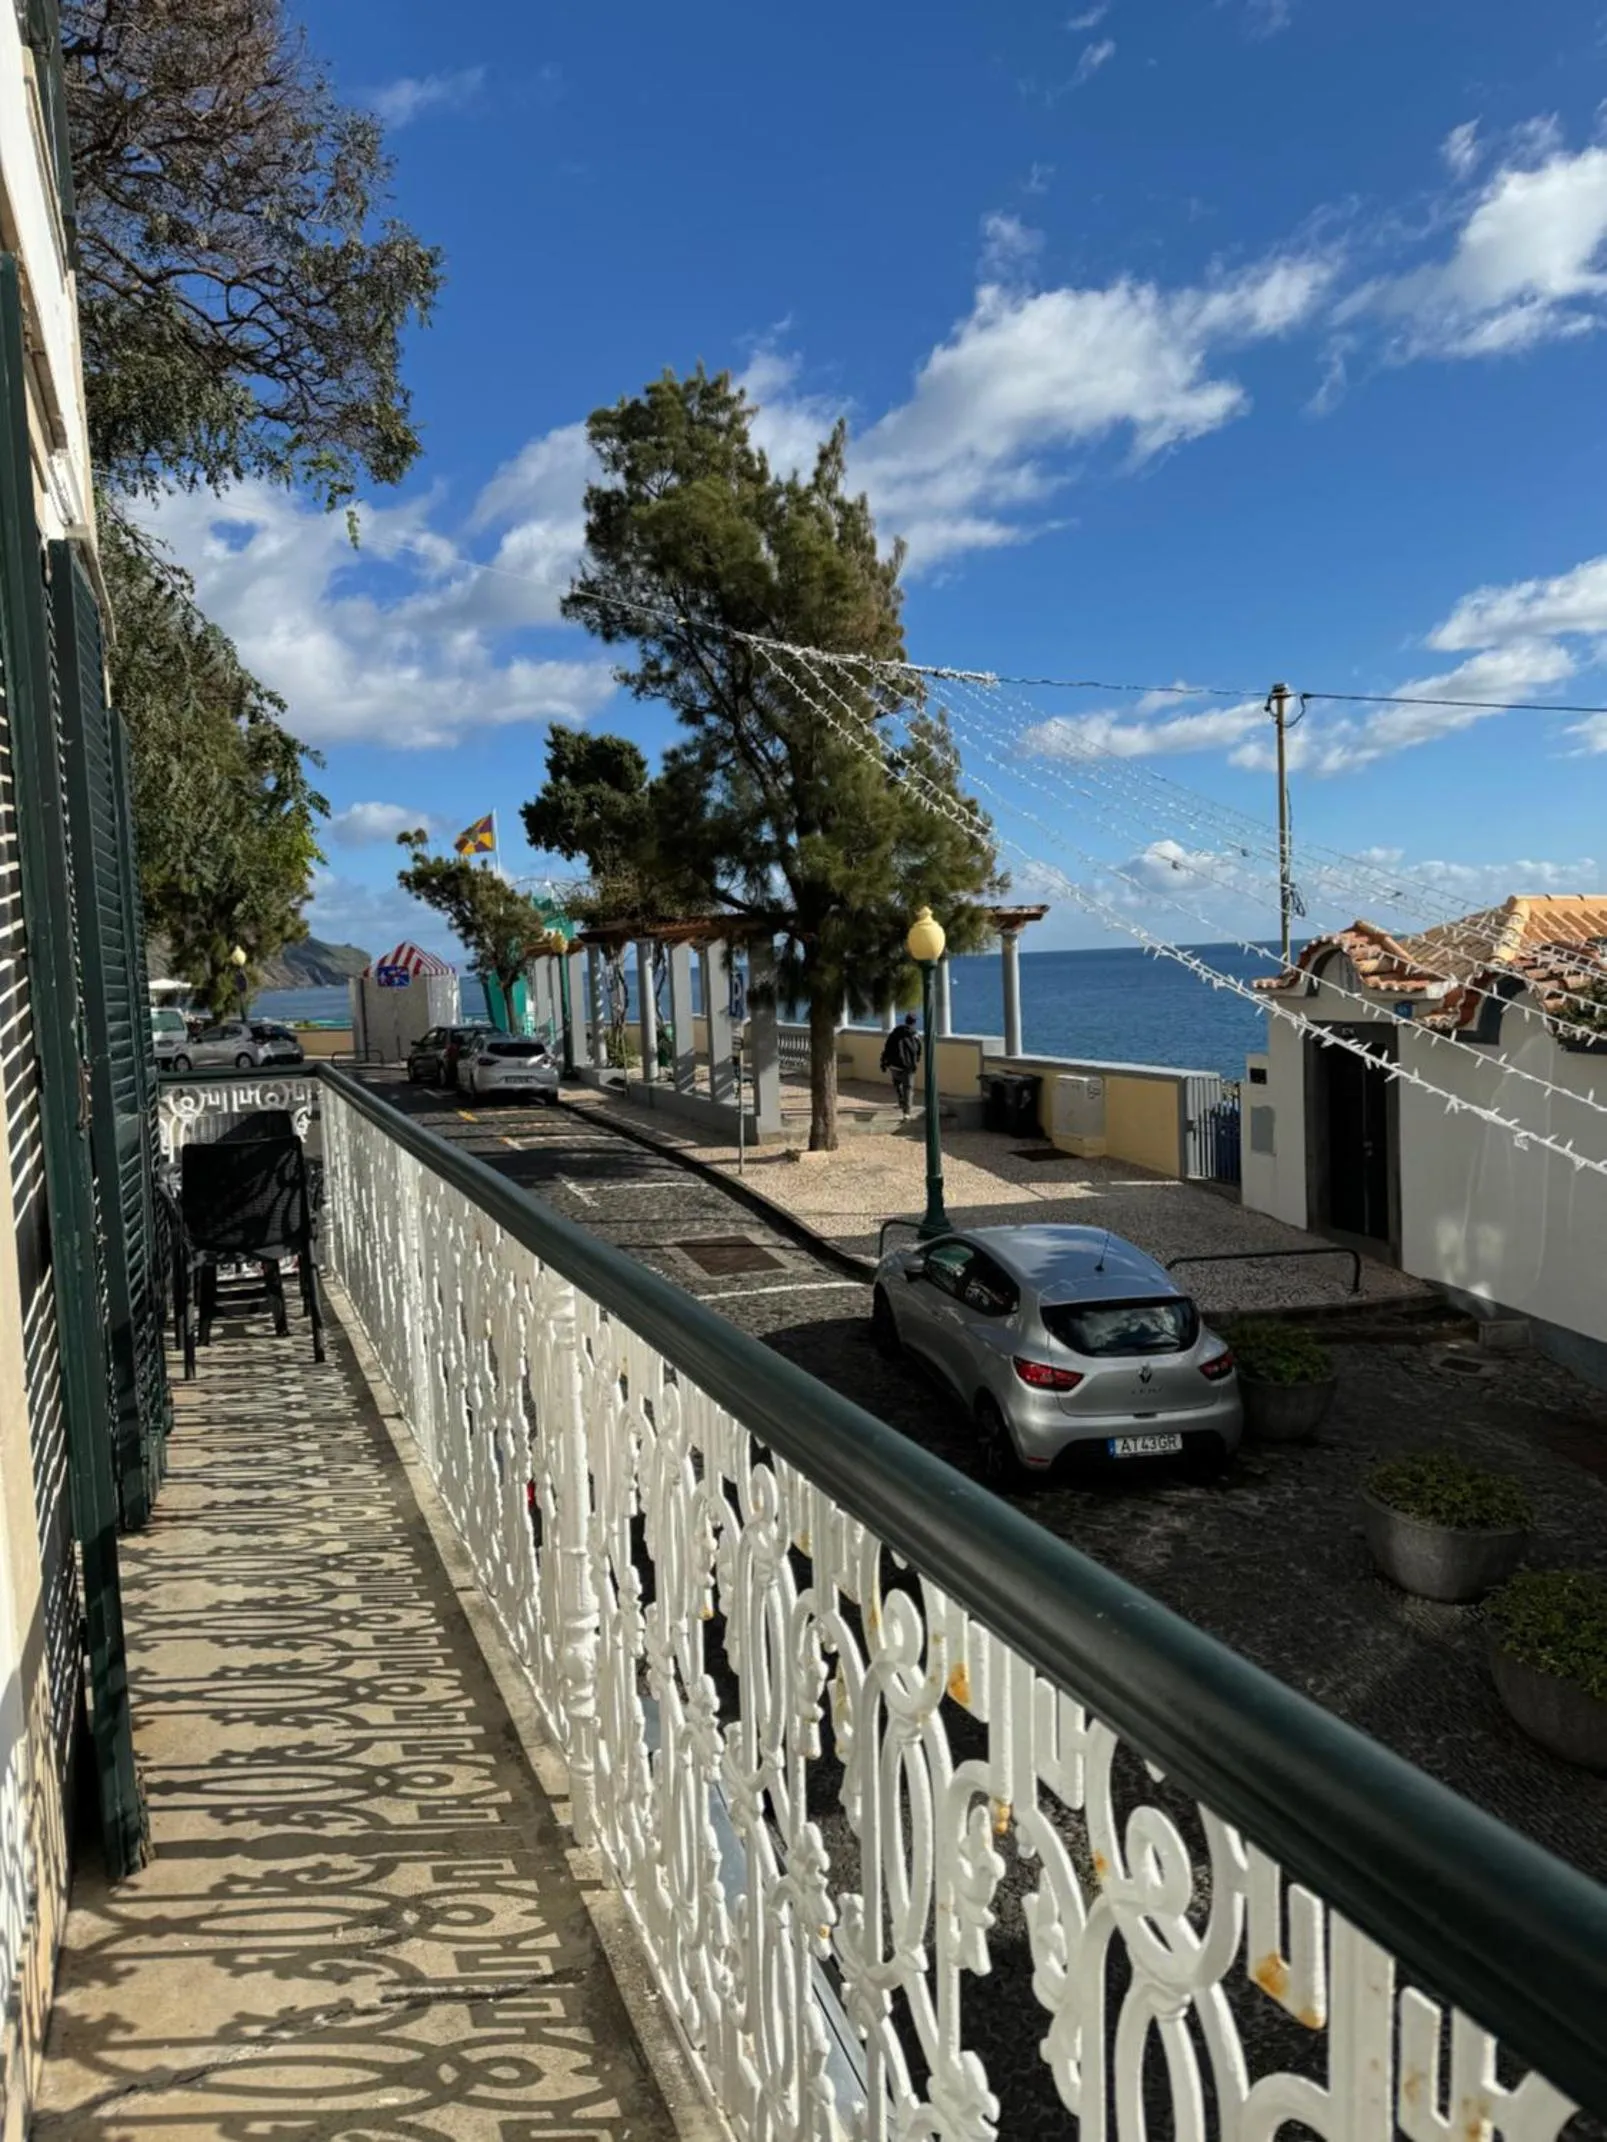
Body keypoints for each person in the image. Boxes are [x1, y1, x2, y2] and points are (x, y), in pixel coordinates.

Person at [880, 1011, 922, 1118]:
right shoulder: (914, 1035)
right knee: (908, 1087)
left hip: (894, 1064)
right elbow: (918, 1050)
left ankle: (900, 1101)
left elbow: (887, 1047)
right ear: (914, 1023)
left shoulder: (894, 1033)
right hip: (907, 1066)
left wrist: (884, 1062)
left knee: (897, 1084)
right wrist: (916, 1059)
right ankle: (906, 1112)